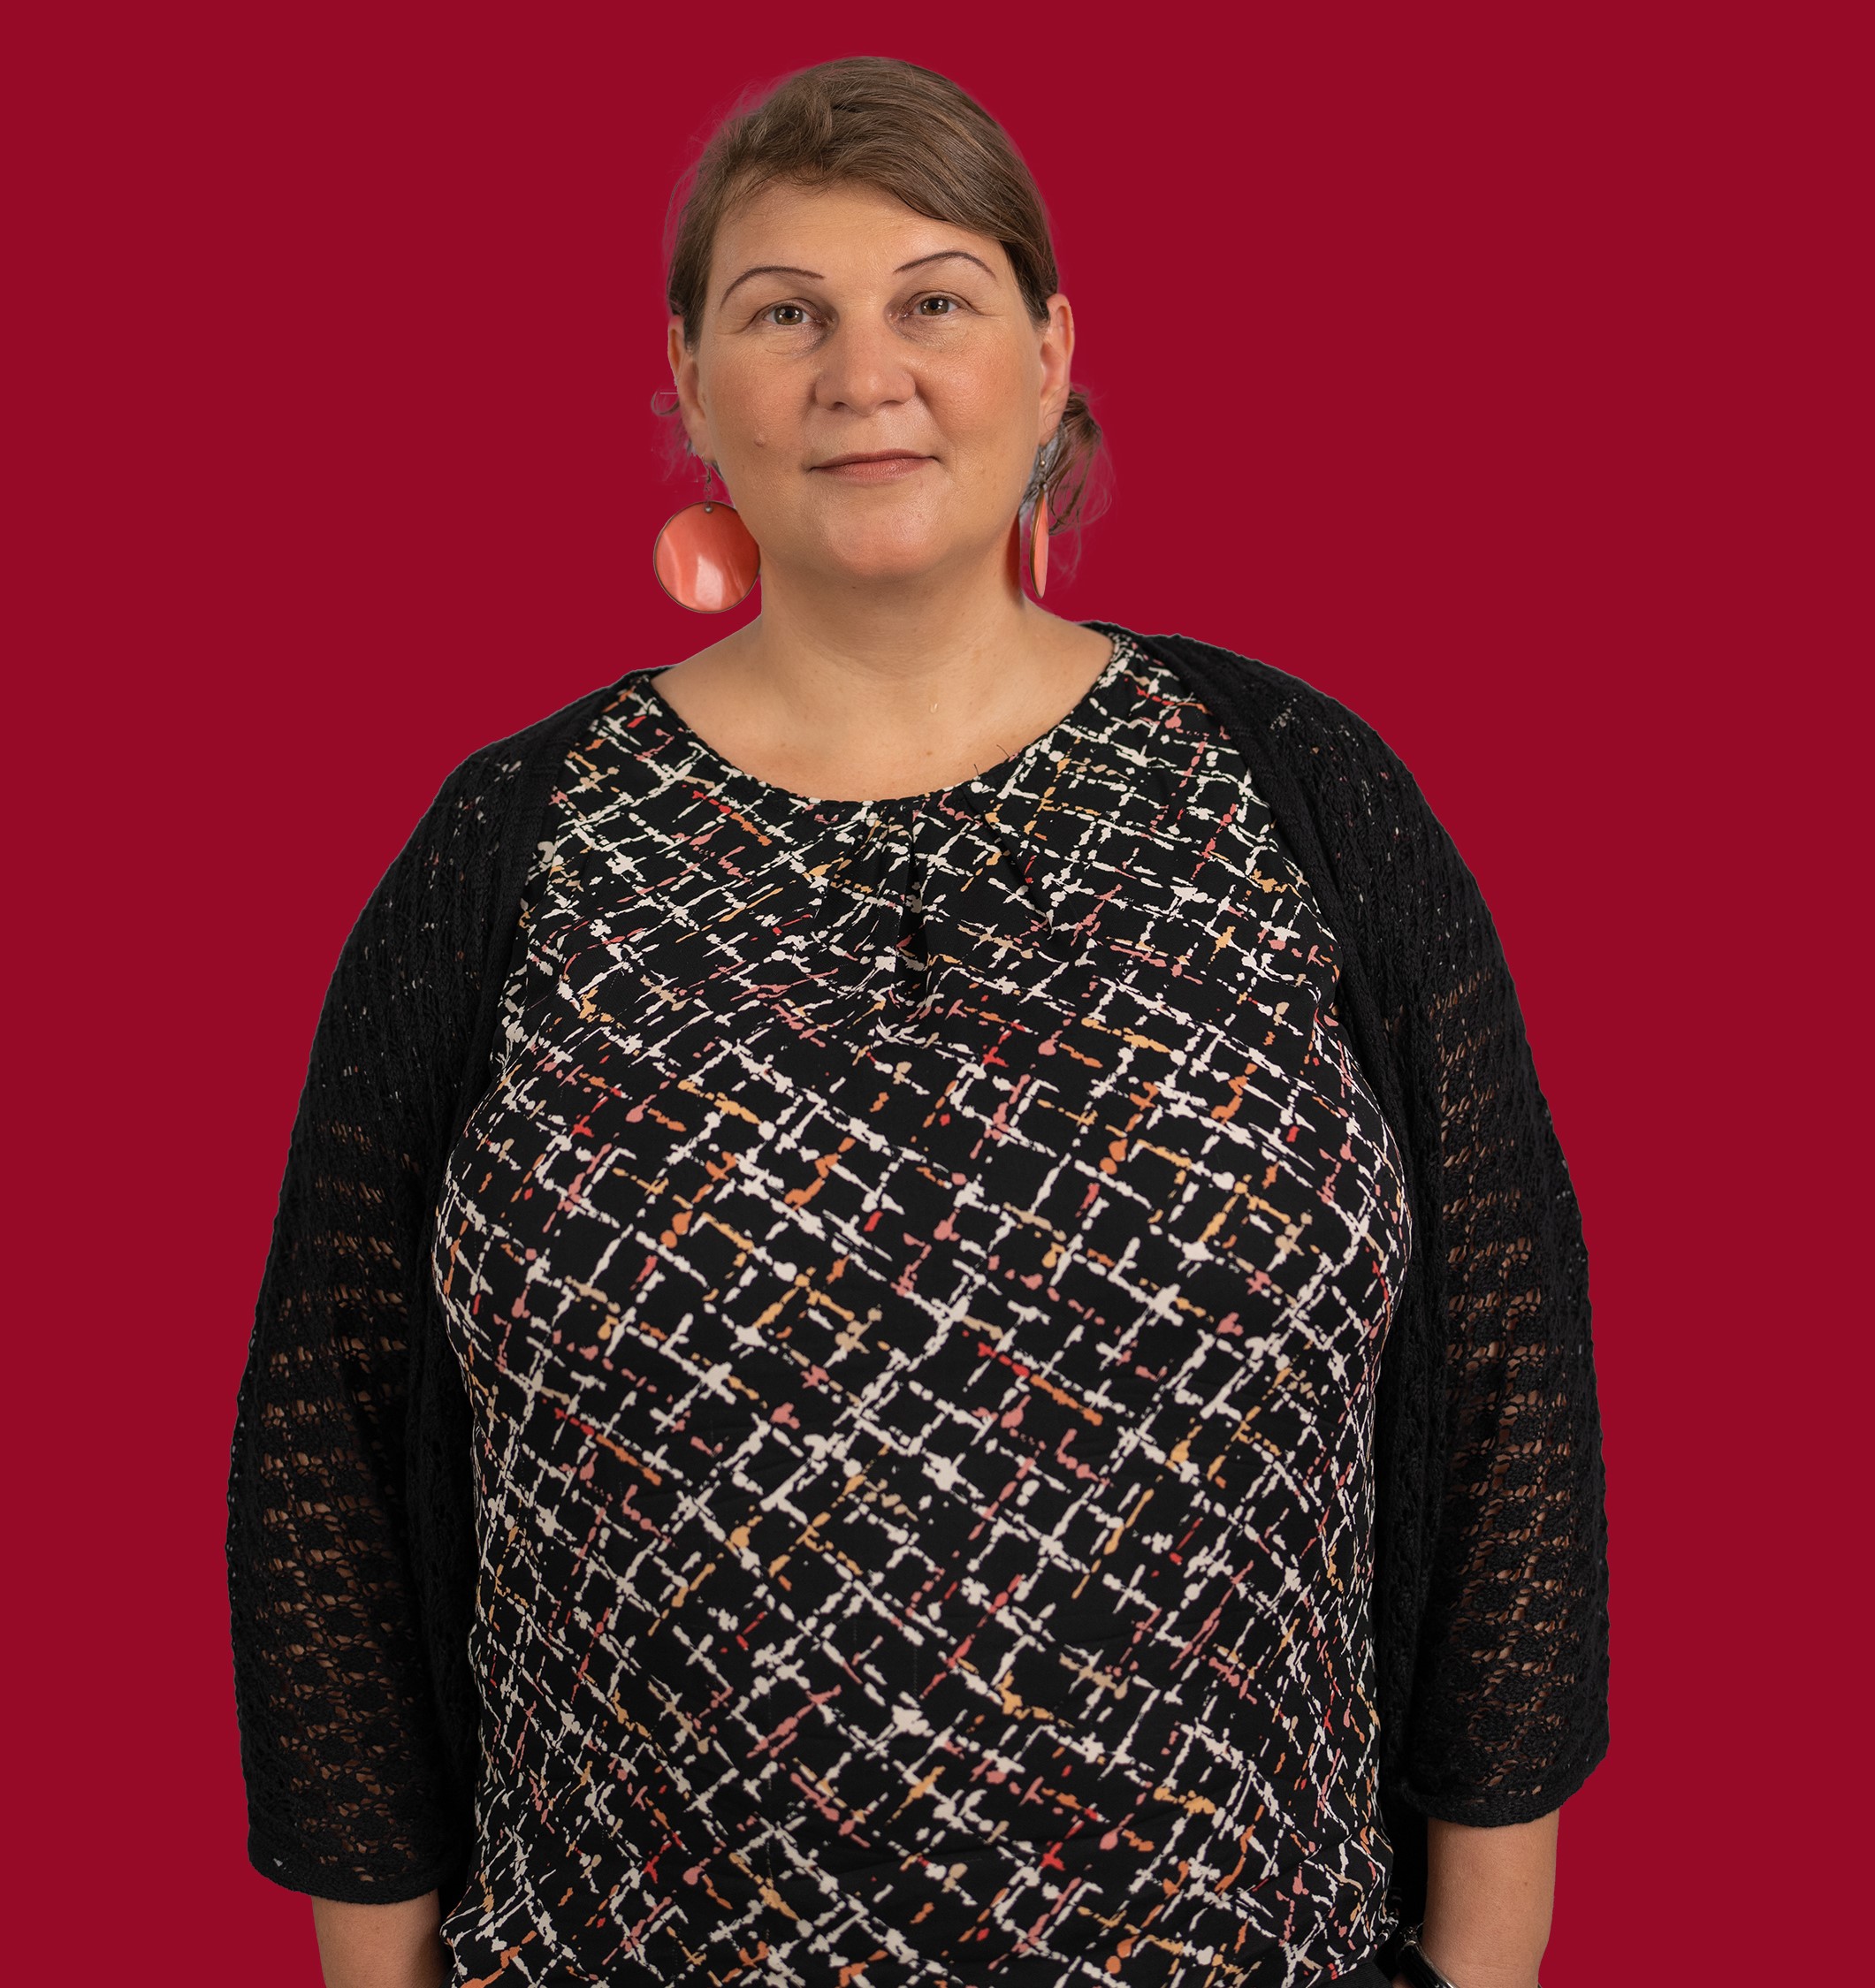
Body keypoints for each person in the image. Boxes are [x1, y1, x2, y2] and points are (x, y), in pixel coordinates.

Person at [225, 57, 1608, 1988]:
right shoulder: (506, 849)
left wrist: (1480, 1970)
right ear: (691, 383)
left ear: (1049, 357)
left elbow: (1509, 1401)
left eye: (932, 301)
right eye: (783, 313)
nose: (861, 374)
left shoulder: (1303, 797)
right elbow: (328, 1443)